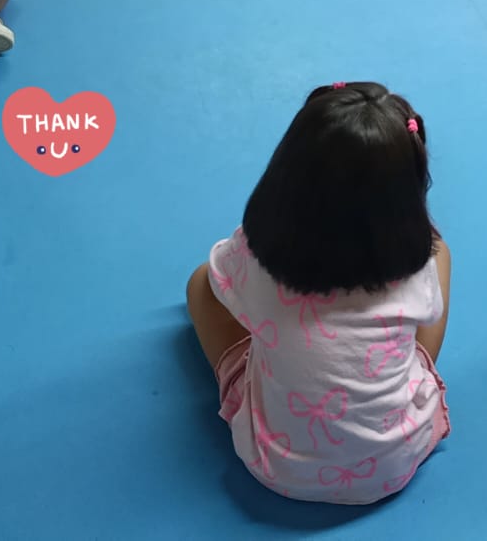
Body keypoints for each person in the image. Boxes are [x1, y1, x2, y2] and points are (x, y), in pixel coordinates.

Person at [186, 82, 452, 504]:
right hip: (397, 459)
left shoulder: (255, 255)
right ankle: (407, 368)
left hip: (277, 467)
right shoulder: (416, 267)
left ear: (286, 174)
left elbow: (218, 285)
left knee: (201, 282)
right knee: (441, 256)